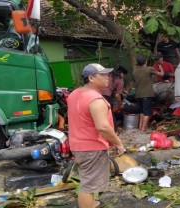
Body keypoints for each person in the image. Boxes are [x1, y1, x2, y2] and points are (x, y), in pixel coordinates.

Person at [68, 63, 125, 208]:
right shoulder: (96, 100)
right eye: (103, 75)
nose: (108, 77)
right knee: (88, 185)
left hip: (77, 144)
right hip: (91, 147)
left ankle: (92, 203)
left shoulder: (75, 93)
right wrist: (118, 143)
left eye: (108, 74)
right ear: (91, 77)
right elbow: (103, 127)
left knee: (87, 179)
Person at [133, 55, 164, 133]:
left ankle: (140, 127)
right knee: (147, 112)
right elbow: (161, 74)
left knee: (142, 111)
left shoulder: (135, 71)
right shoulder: (149, 69)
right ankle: (143, 129)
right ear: (145, 62)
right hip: (146, 94)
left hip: (138, 94)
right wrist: (160, 67)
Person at [101, 66, 128, 130]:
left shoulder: (110, 75)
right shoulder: (120, 80)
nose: (123, 76)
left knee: (103, 112)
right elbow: (117, 95)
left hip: (98, 94)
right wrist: (119, 103)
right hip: (107, 95)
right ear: (121, 74)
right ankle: (114, 129)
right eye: (124, 75)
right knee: (110, 113)